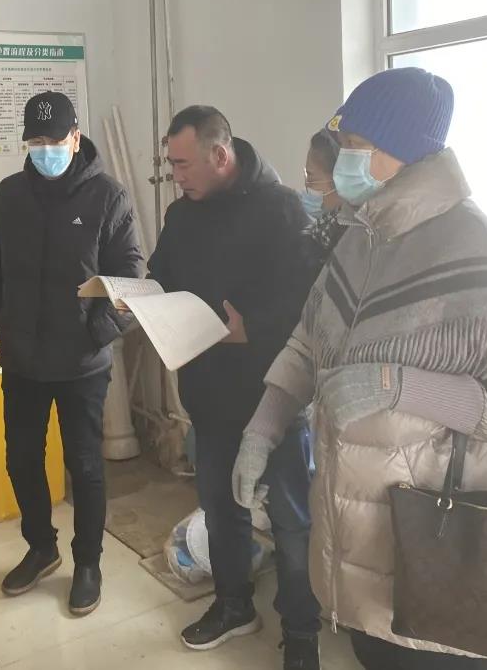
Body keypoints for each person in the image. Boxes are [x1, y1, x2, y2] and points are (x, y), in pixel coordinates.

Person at [232, 68, 487, 670]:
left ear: (400, 151)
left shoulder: (475, 252)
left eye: (353, 146)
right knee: (373, 652)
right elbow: (309, 341)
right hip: (361, 535)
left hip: (440, 548)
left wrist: (400, 385)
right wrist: (261, 430)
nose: (341, 161)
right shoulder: (365, 236)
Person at [147, 105, 322, 669]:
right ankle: (233, 605)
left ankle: (301, 632)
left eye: (183, 164)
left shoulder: (282, 210)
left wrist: (255, 330)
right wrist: (140, 299)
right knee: (221, 509)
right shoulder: (182, 215)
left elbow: (311, 306)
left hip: (273, 395)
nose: (175, 175)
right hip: (207, 392)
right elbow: (162, 274)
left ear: (220, 155)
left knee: (292, 522)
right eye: (172, 164)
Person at [0, 91, 143, 616]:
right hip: (21, 359)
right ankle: (41, 548)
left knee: (86, 466)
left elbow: (130, 277)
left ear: (76, 138)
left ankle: (88, 562)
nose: (45, 149)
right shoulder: (9, 194)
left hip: (81, 365)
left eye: (54, 139)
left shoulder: (108, 197)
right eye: (35, 141)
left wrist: (96, 333)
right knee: (22, 459)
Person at [300, 127, 345, 265]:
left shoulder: (343, 240)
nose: (307, 184)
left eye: (311, 176)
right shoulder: (321, 231)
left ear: (338, 179)